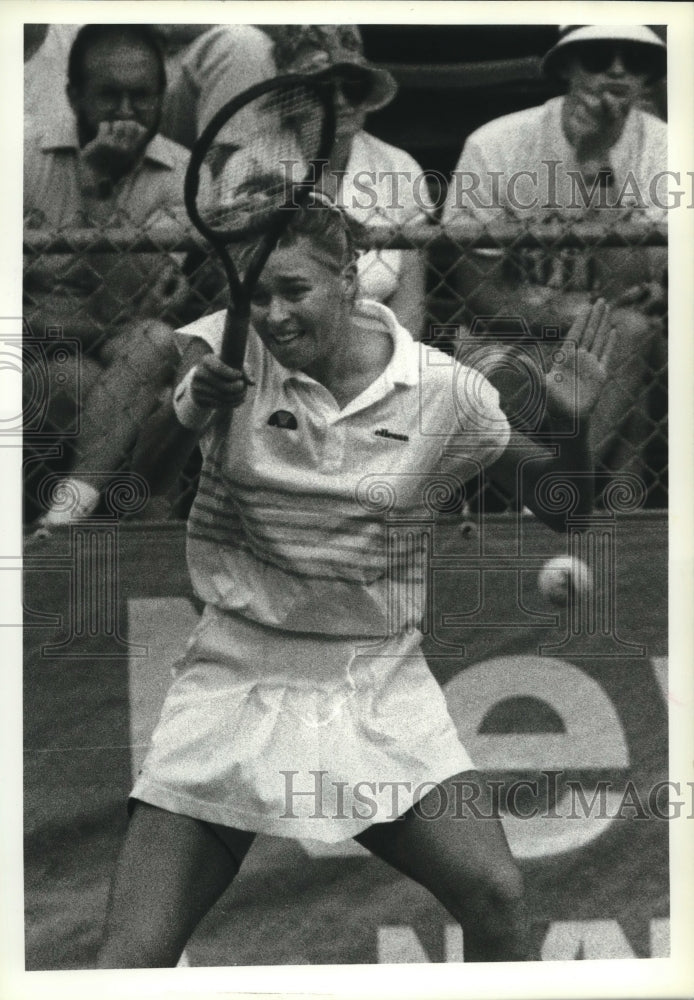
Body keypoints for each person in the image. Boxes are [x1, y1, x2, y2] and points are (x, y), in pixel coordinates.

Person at [97, 194, 614, 967]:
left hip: (374, 683)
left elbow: (565, 510)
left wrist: (569, 423)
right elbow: (138, 485)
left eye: (293, 290)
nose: (270, 315)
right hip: (234, 677)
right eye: (253, 294)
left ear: (349, 278)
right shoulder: (220, 350)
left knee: (496, 898)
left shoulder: (443, 391)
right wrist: (187, 407)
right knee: (133, 956)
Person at [442, 24, 667, 491]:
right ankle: (562, 495)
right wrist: (568, 315)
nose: (618, 70)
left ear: (650, 77)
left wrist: (596, 160)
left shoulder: (666, 147)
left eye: (637, 59)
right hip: (513, 331)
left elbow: (626, 291)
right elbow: (475, 291)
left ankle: (554, 496)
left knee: (636, 331)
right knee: (625, 333)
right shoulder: (497, 144)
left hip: (611, 334)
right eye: (600, 54)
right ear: (566, 65)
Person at [24, 24, 192, 528]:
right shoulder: (21, 157)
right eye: (108, 94)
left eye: (142, 96)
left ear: (162, 97)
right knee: (119, 392)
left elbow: (115, 309)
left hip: (122, 347)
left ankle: (64, 518)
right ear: (74, 95)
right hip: (36, 353)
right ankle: (141, 528)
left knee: (158, 340)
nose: (125, 111)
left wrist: (98, 191)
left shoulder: (183, 172)